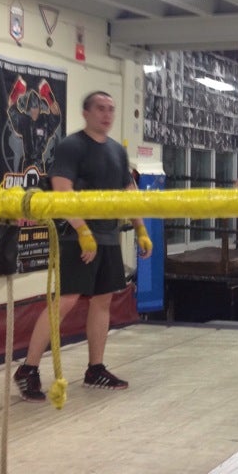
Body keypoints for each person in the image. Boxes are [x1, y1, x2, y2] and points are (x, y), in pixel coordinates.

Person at [14, 91, 153, 402]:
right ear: (86, 113)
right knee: (64, 302)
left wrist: (141, 229)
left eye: (111, 109)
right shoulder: (72, 146)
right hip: (75, 236)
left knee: (102, 301)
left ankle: (95, 368)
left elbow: (129, 193)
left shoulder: (117, 152)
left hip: (107, 237)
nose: (106, 114)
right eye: (100, 109)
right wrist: (82, 231)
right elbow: (61, 193)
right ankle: (29, 369)